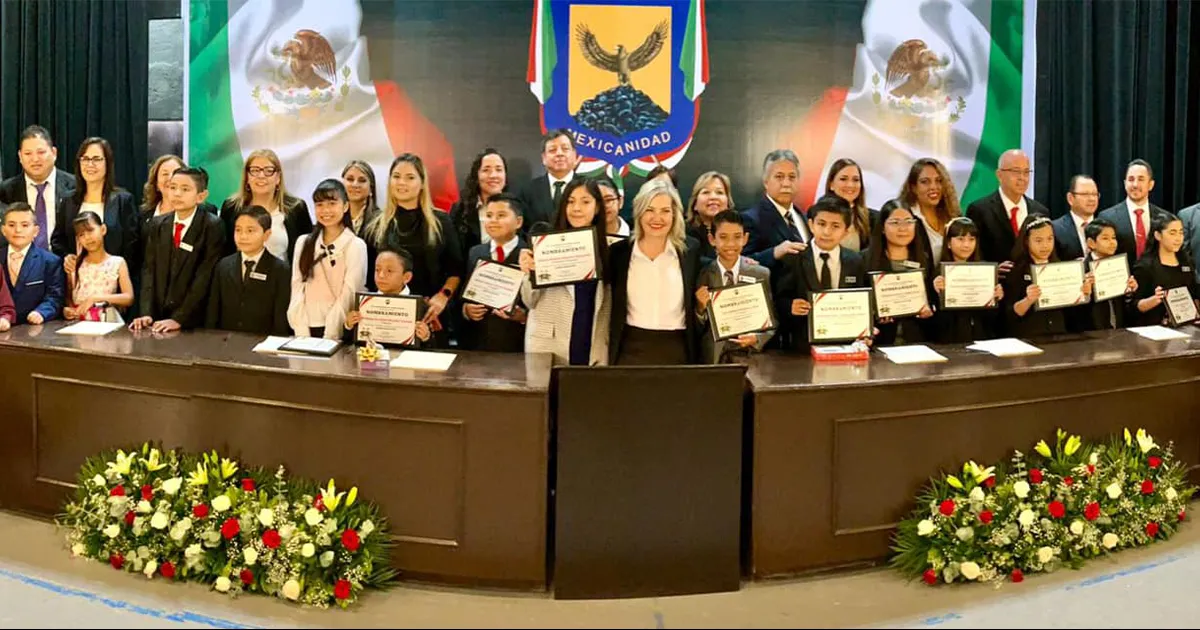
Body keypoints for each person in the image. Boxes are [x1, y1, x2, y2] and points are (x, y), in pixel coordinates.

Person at [363, 154, 462, 336]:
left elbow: (456, 270)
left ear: (422, 183)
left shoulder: (441, 221)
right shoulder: (375, 224)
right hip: (387, 318)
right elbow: (368, 276)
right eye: (396, 176)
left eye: (410, 177)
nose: (402, 183)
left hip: (431, 316)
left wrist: (443, 296)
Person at [518, 178, 611, 365]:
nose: (576, 208)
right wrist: (529, 273)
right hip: (549, 347)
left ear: (598, 207)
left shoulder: (608, 250)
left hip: (591, 347)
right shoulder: (545, 245)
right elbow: (529, 301)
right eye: (570, 201)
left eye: (585, 202)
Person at [607, 179, 701, 365]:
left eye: (665, 211)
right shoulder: (618, 253)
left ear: (675, 215)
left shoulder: (690, 250)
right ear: (639, 212)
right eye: (649, 210)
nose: (657, 218)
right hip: (629, 351)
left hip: (679, 351)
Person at [131, 167, 224, 332]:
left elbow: (205, 276)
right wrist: (146, 313)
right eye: (172, 187)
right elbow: (149, 272)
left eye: (185, 189)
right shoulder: (157, 224)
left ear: (201, 196)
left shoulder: (211, 226)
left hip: (194, 321)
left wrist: (179, 318)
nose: (177, 193)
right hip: (158, 318)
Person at [287, 179, 368, 339]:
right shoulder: (303, 242)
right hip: (304, 328)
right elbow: (297, 287)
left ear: (345, 206)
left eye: (332, 203)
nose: (326, 210)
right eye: (319, 205)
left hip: (338, 329)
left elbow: (349, 293)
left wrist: (331, 332)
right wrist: (301, 331)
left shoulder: (355, 245)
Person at [695, 209, 773, 363]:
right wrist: (700, 308)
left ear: (745, 238)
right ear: (712, 239)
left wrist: (757, 338)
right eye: (723, 237)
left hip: (750, 358)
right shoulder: (702, 274)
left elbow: (772, 320)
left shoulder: (760, 274)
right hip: (713, 358)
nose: (730, 244)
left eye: (737, 237)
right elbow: (696, 327)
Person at [205, 205, 292, 336]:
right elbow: (213, 310)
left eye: (250, 231)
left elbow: (280, 316)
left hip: (263, 343)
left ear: (266, 234)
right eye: (238, 230)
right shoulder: (223, 265)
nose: (243, 236)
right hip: (227, 342)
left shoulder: (280, 269)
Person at [1002, 216, 1094, 338]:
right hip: (1028, 338)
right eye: (1038, 241)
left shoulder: (1062, 268)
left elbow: (1073, 313)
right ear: (1026, 241)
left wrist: (1084, 293)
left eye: (1050, 239)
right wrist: (1028, 300)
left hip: (1060, 336)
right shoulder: (1015, 271)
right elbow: (1009, 315)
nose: (1045, 246)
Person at [52, 137, 139, 266]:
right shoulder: (68, 200)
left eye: (96, 159)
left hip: (113, 277)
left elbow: (132, 246)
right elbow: (58, 240)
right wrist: (66, 257)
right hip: (77, 278)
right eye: (85, 159)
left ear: (107, 163)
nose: (90, 164)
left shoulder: (123, 200)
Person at [459, 193, 528, 352]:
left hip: (517, 345)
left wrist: (524, 316)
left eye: (501, 215)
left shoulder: (529, 254)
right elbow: (463, 294)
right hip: (479, 344)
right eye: (488, 216)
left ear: (518, 222)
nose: (493, 221)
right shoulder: (475, 253)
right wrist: (466, 310)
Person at [218, 149, 312, 262]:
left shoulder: (296, 208)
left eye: (269, 171)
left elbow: (307, 251)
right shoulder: (231, 207)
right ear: (247, 177)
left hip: (283, 277)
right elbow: (223, 251)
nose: (261, 176)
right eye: (255, 170)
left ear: (278, 178)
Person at [864, 204, 937, 345]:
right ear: (883, 228)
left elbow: (932, 301)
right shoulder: (865, 260)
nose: (903, 228)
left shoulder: (924, 259)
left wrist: (929, 309)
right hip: (880, 342)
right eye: (895, 222)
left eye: (909, 222)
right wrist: (875, 314)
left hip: (917, 342)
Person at [964, 149, 1050, 268]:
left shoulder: (1040, 211)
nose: (1022, 178)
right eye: (1016, 172)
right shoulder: (979, 210)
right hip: (997, 284)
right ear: (999, 175)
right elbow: (973, 255)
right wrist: (994, 271)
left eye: (1026, 172)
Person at [0, 125, 77, 250]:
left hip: (66, 262)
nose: (35, 159)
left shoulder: (75, 186)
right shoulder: (6, 191)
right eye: (28, 153)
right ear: (20, 157)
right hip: (22, 265)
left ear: (54, 153)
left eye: (41, 152)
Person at [931, 217, 1003, 342]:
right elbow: (935, 321)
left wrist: (997, 298)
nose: (966, 245)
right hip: (950, 341)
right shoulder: (938, 275)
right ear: (948, 243)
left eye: (971, 239)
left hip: (982, 339)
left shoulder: (985, 271)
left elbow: (993, 318)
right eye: (960, 239)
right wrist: (938, 294)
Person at [344, 248, 431, 346]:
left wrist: (425, 337)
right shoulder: (363, 303)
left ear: (406, 277)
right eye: (377, 270)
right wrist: (349, 325)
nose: (381, 275)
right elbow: (350, 344)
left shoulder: (421, 307)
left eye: (389, 271)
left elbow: (435, 349)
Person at [883, 158, 961, 265]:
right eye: (925, 182)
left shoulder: (954, 216)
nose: (933, 187)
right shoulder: (905, 217)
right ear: (913, 187)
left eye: (939, 181)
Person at [62, 210, 134, 323]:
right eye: (81, 235)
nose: (87, 237)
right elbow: (69, 298)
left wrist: (96, 298)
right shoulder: (75, 264)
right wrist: (68, 310)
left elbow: (128, 297)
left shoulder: (117, 262)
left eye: (90, 231)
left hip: (108, 322)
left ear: (103, 229)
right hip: (80, 325)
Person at [742, 149, 809, 270]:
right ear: (766, 182)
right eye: (779, 177)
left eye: (792, 177)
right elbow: (741, 263)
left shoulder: (805, 217)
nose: (786, 183)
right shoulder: (750, 219)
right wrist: (774, 252)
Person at [1097, 159, 1170, 267]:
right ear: (1125, 183)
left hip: (1156, 282)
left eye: (1141, 179)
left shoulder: (1165, 218)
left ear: (1151, 184)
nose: (1135, 184)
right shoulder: (1107, 217)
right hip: (1121, 281)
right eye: (1131, 179)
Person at [0, 202, 65, 324]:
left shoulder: (50, 261)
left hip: (34, 329)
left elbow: (55, 296)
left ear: (36, 231)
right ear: (3, 230)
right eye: (11, 225)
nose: (18, 230)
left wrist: (41, 312)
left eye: (25, 225)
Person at [1130, 212, 1199, 327]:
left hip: (1186, 327)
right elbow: (1134, 306)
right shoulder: (1145, 266)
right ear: (1158, 235)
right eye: (1172, 233)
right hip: (1154, 329)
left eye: (1181, 233)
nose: (1178, 238)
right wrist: (1154, 300)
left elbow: (1194, 294)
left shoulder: (1186, 261)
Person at [1075, 218, 1138, 331]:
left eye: (1114, 238)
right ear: (1091, 243)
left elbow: (1126, 305)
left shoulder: (1120, 266)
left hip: (1119, 331)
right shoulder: (1081, 271)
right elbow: (1074, 313)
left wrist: (1130, 291)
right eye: (1105, 238)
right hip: (1091, 333)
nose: (1112, 242)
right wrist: (1085, 294)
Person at [449, 148, 509, 260]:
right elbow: (452, 253)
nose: (493, 175)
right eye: (486, 170)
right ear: (476, 175)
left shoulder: (518, 207)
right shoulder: (460, 210)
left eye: (499, 169)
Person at [518, 129, 579, 227]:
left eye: (565, 149)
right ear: (543, 158)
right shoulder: (528, 191)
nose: (559, 154)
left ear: (575, 155)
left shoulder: (587, 186)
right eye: (552, 150)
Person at [824, 158, 876, 251]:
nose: (850, 185)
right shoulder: (816, 215)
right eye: (843, 179)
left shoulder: (874, 219)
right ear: (831, 184)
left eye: (856, 180)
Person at [685, 171, 734, 266]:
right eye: (706, 192)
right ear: (695, 204)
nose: (713, 197)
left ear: (728, 202)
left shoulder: (737, 230)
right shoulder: (684, 233)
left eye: (719, 192)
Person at [1052, 174, 1101, 261]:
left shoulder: (1105, 226)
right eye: (1085, 194)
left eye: (1095, 194)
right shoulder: (1055, 229)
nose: (1092, 199)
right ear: (1070, 198)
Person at [342, 160, 380, 239]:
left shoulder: (381, 221)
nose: (355, 184)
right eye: (350, 179)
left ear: (371, 189)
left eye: (362, 180)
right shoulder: (333, 217)